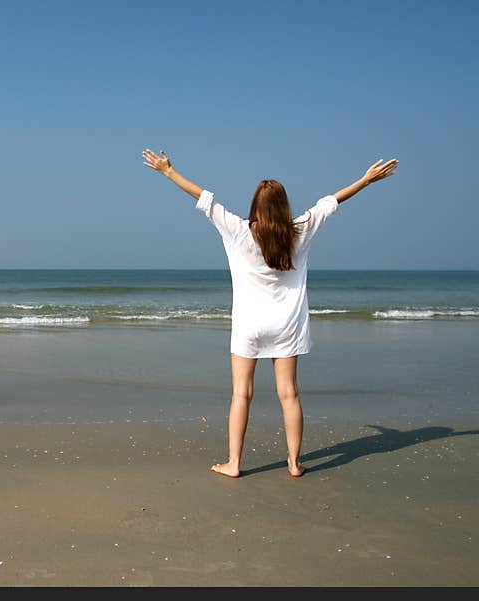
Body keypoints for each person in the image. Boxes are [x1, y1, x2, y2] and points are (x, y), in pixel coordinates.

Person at [141, 149, 398, 478]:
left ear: (255, 206)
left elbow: (204, 198)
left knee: (241, 393)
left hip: (249, 325)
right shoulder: (299, 230)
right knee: (289, 393)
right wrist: (365, 179)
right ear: (284, 206)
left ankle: (234, 463)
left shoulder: (238, 230)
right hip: (287, 325)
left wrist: (167, 172)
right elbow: (331, 202)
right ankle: (293, 462)